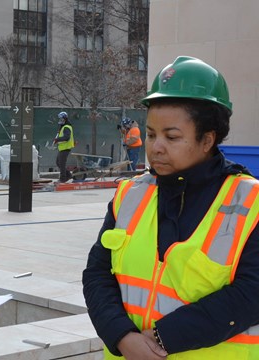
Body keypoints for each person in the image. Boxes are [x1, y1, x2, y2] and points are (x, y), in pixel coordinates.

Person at [82, 55, 259, 359]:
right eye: (151, 134)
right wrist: (122, 336)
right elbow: (97, 273)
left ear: (207, 139)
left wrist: (164, 338)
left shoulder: (249, 202)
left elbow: (251, 294)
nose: (156, 147)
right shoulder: (130, 195)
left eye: (171, 136)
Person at [53, 111, 74, 182]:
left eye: (61, 119)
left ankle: (63, 178)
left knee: (62, 164)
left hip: (65, 148)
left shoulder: (66, 127)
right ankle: (68, 175)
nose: (60, 120)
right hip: (62, 148)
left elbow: (66, 137)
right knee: (58, 162)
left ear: (64, 119)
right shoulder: (63, 127)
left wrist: (57, 139)